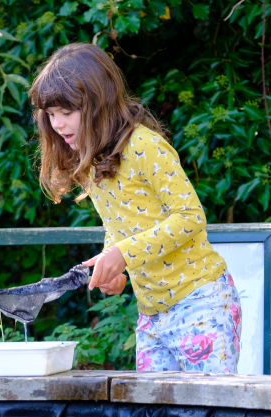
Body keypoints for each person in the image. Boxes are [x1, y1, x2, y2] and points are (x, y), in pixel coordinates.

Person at [29, 43, 241, 373]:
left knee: (207, 416)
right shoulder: (92, 160)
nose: (56, 124)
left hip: (201, 304)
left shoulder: (145, 146)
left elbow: (190, 217)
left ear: (98, 104)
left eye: (66, 113)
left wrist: (123, 255)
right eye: (50, 115)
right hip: (151, 314)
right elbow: (119, 223)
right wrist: (114, 265)